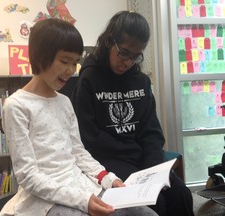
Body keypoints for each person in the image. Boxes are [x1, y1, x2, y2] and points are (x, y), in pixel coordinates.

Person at [0, 18, 158, 216]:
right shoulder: (17, 106)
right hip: (44, 199)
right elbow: (28, 176)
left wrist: (108, 178)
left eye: (75, 63)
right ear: (40, 57)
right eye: (65, 61)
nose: (70, 70)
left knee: (145, 213)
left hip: (80, 184)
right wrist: (82, 200)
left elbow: (78, 152)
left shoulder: (64, 102)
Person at [71, 11, 194, 216]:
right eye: (124, 53)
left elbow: (151, 131)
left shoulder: (141, 81)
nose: (128, 62)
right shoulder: (89, 79)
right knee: (156, 205)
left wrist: (153, 168)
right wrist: (128, 159)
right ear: (110, 42)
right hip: (107, 162)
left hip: (141, 161)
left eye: (136, 56)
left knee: (181, 195)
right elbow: (86, 137)